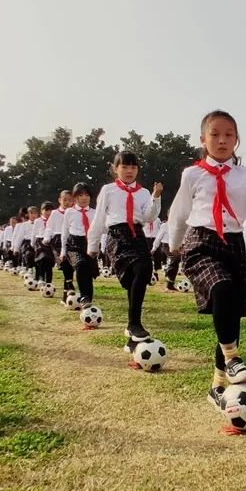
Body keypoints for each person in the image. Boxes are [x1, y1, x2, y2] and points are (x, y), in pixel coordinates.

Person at [167, 110, 246, 413]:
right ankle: (232, 358)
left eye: (229, 134)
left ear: (237, 139)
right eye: (215, 134)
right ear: (203, 139)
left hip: (233, 244)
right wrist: (173, 247)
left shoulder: (244, 174)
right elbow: (179, 213)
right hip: (200, 241)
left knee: (231, 313)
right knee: (221, 289)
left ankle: (218, 383)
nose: (222, 140)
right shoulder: (192, 173)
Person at [88, 151, 163, 353]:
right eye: (124, 167)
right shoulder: (108, 190)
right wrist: (92, 246)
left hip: (137, 234)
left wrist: (156, 197)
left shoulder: (143, 192)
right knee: (131, 278)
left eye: (133, 167)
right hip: (117, 235)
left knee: (144, 269)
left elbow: (148, 216)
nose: (129, 171)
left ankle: (134, 325)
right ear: (115, 169)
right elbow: (99, 218)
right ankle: (132, 327)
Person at [60, 183, 97, 308]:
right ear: (75, 197)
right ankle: (83, 296)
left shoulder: (94, 213)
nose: (84, 198)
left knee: (88, 271)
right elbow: (64, 233)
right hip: (74, 244)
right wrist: (63, 251)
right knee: (80, 265)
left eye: (86, 195)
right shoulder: (69, 212)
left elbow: (100, 230)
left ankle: (88, 300)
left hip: (89, 243)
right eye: (81, 195)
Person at [43, 190, 75, 302]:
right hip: (57, 241)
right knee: (64, 262)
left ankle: (66, 295)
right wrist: (46, 238)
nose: (67, 202)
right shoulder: (55, 213)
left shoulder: (74, 212)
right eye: (64, 200)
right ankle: (70, 284)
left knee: (70, 266)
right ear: (60, 200)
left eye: (70, 200)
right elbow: (49, 227)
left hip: (71, 239)